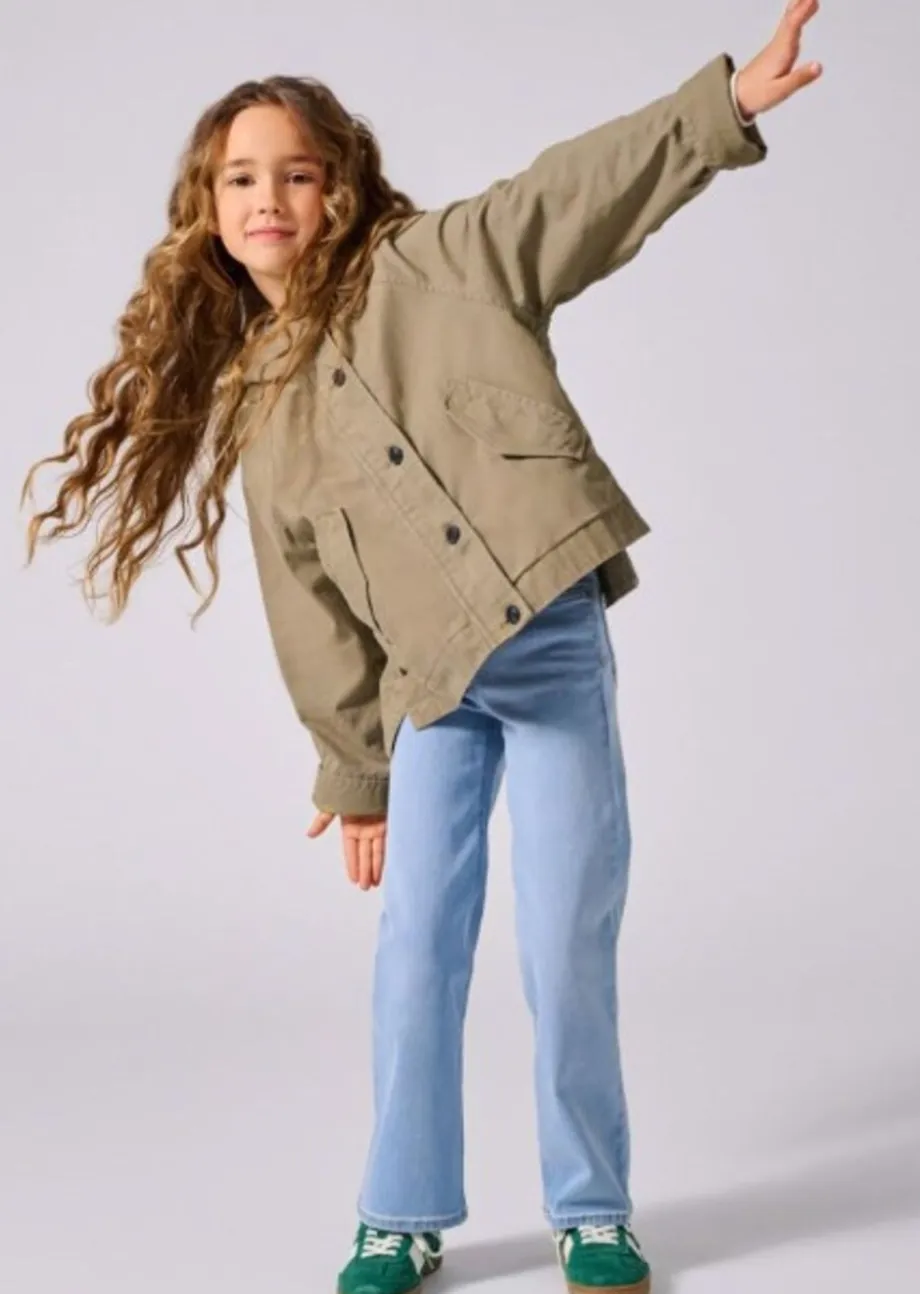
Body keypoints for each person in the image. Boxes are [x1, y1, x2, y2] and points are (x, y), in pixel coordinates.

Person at [21, 3, 822, 1290]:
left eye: (295, 172)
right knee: (414, 954)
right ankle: (399, 1211)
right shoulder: (257, 402)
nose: (268, 198)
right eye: (239, 179)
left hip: (549, 652)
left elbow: (573, 191)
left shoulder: (441, 261)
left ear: (338, 186)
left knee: (565, 940)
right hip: (430, 693)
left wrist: (716, 110)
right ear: (207, 211)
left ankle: (592, 1207)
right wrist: (356, 774)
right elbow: (308, 605)